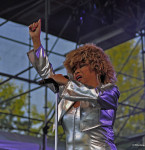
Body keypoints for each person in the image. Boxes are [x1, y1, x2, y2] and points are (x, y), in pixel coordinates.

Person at [27, 19, 120, 150]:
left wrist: (66, 82)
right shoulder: (69, 94)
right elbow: (47, 73)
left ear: (97, 67)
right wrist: (36, 41)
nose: (77, 71)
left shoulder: (109, 91)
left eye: (82, 65)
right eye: (74, 68)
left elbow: (95, 96)